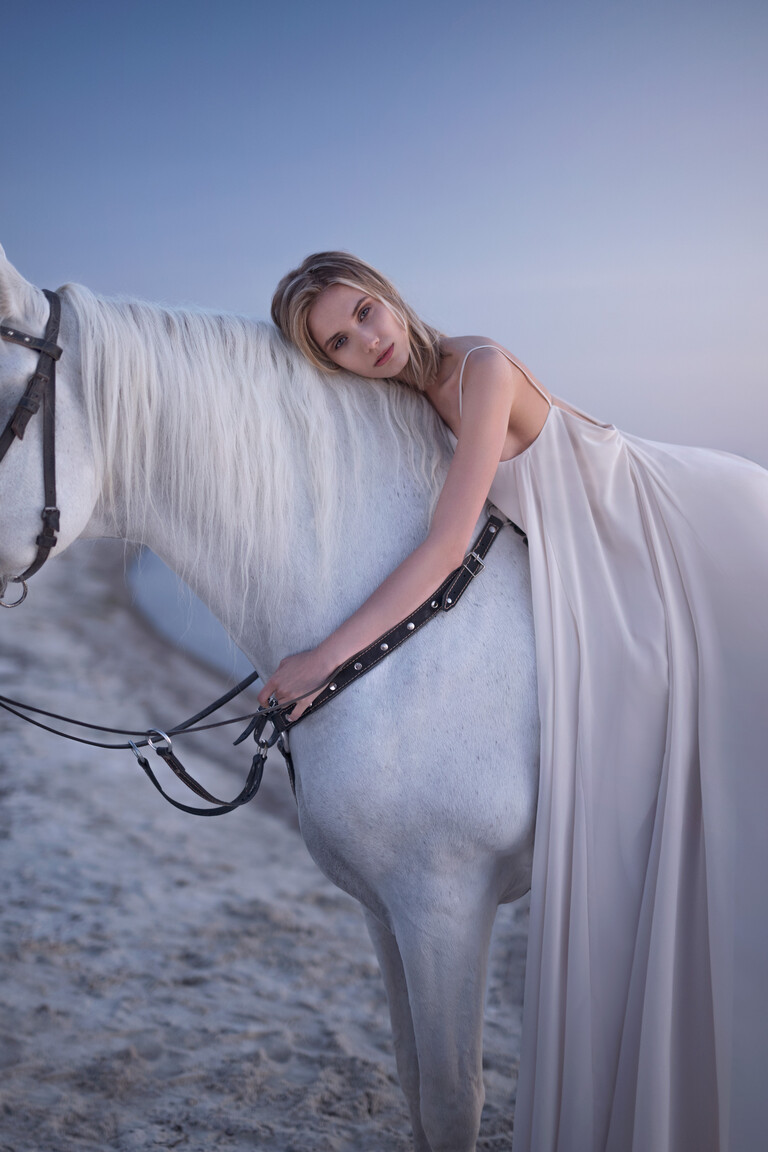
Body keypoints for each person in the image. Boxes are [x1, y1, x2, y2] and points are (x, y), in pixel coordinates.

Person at [261, 251, 768, 1152]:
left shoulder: (477, 368)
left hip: (660, 531)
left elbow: (448, 545)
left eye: (366, 313)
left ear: (390, 294)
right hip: (587, 559)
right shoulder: (407, 398)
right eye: (338, 342)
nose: (365, 343)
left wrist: (323, 658)